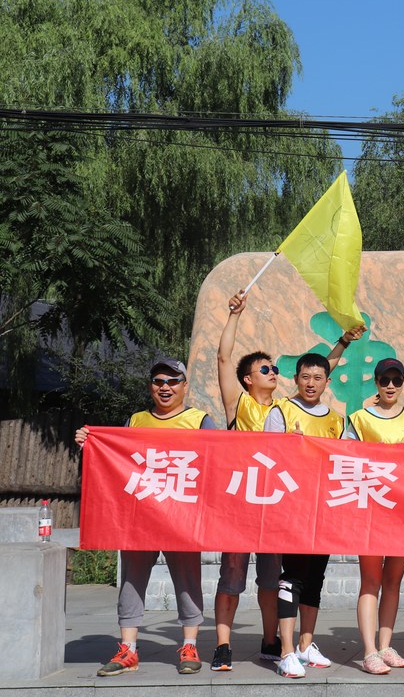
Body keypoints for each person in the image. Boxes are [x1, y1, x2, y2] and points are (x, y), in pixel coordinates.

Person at [211, 289, 361, 671]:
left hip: (276, 506)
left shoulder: (285, 409)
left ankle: (270, 641)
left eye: (276, 369)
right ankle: (223, 646)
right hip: (242, 503)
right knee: (232, 576)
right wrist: (234, 315)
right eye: (266, 370)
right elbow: (224, 358)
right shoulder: (239, 404)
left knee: (270, 579)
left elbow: (318, 373)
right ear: (247, 379)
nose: (273, 373)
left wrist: (343, 342)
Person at [75, 357, 215, 677]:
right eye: (158, 381)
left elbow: (219, 460)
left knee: (188, 581)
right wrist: (90, 443)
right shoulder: (135, 420)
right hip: (139, 517)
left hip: (182, 517)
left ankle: (189, 645)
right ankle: (128, 649)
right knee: (131, 580)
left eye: (173, 381)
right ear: (151, 386)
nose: (165, 387)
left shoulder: (200, 421)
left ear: (185, 386)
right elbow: (114, 458)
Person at [263, 352, 344, 677]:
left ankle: (305, 645)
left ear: (327, 381)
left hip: (324, 508)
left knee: (315, 578)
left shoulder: (336, 420)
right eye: (305, 377)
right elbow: (265, 457)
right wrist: (288, 446)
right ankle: (285, 651)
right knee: (293, 576)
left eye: (318, 378)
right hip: (292, 508)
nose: (311, 383)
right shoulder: (280, 411)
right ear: (295, 379)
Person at [344, 357, 404, 674]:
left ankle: (386, 645)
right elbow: (346, 459)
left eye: (396, 380)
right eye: (385, 380)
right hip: (370, 509)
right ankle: (369, 651)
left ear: (403, 383)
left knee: (393, 580)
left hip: (403, 512)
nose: (391, 386)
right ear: (376, 383)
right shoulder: (360, 418)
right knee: (371, 580)